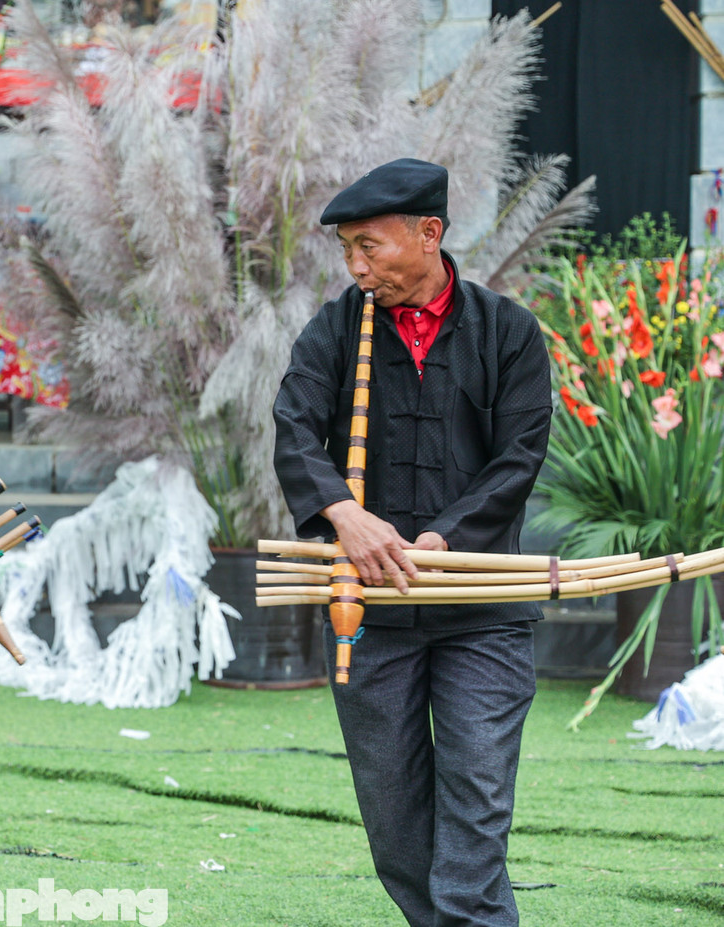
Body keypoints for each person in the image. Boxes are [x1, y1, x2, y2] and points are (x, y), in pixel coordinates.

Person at [272, 158, 552, 926]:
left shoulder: (509, 330)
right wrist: (344, 513)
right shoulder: (337, 327)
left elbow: (519, 457)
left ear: (429, 234)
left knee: (477, 796)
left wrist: (444, 538)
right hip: (368, 607)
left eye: (371, 247)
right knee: (392, 813)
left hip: (484, 605)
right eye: (348, 252)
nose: (358, 267)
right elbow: (293, 431)